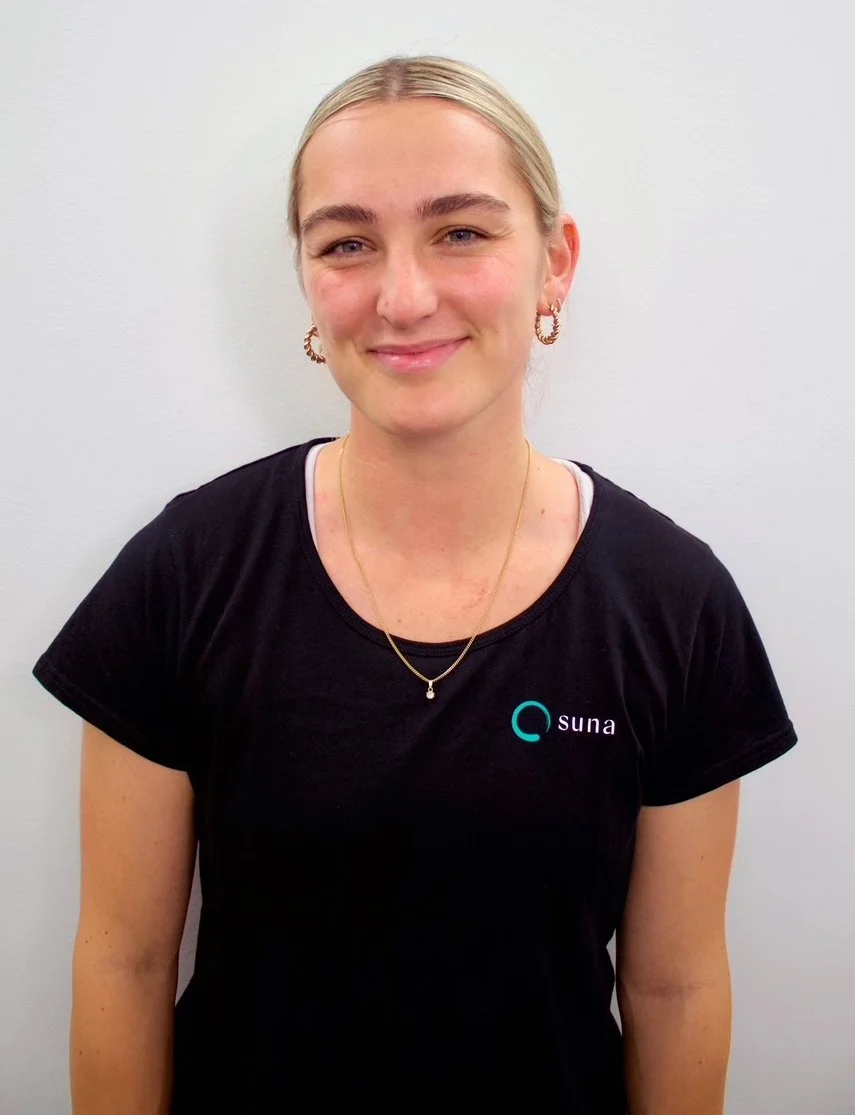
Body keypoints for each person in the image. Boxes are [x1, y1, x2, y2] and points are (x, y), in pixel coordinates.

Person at [33, 54, 797, 1115]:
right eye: (347, 242)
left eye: (462, 231)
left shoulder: (673, 602)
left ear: (556, 264)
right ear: (305, 276)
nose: (402, 294)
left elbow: (673, 986)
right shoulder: (185, 571)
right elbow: (121, 959)